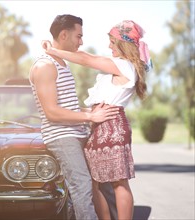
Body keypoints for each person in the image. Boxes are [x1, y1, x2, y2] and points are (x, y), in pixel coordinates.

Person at [42, 20, 152, 220]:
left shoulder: (125, 66)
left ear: (123, 43)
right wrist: (87, 114)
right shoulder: (118, 67)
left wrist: (54, 51)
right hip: (99, 126)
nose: (109, 46)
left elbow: (86, 59)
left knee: (119, 182)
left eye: (112, 42)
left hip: (112, 126)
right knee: (95, 182)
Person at [29, 14, 119, 220]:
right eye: (78, 36)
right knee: (82, 185)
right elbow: (51, 112)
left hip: (75, 132)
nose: (81, 41)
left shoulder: (61, 63)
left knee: (83, 189)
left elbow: (67, 104)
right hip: (61, 136)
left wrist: (89, 114)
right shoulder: (45, 66)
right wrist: (90, 116)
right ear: (63, 34)